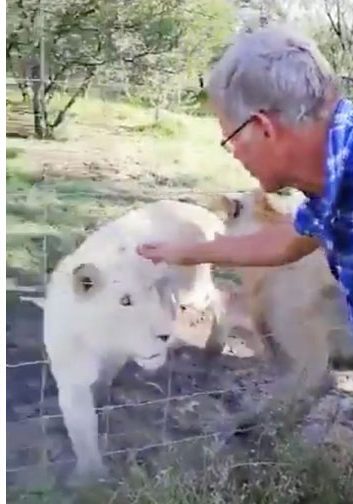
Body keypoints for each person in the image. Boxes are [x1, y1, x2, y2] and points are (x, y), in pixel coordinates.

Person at [136, 26, 353, 329]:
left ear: (264, 128)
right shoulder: (331, 178)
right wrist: (185, 252)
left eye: (231, 139)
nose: (234, 154)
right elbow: (291, 240)